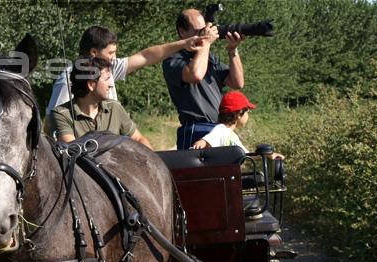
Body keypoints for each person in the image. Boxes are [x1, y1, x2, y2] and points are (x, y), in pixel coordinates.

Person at [45, 25, 205, 118]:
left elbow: (146, 56)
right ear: (94, 52)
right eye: (111, 53)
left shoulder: (110, 68)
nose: (115, 58)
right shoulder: (69, 78)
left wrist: (184, 43)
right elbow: (55, 118)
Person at [163, 8, 245, 150]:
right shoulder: (173, 57)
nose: (205, 34)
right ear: (182, 32)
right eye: (199, 31)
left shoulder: (209, 57)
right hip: (195, 128)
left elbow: (237, 83)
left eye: (205, 29)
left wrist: (232, 51)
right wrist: (205, 43)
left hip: (218, 128)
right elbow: (195, 75)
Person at [47, 56, 153, 150]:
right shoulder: (62, 114)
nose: (111, 84)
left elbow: (139, 139)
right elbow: (73, 153)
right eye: (107, 79)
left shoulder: (114, 107)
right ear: (91, 85)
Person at [192, 91, 284, 160]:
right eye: (247, 111)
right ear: (239, 113)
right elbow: (209, 139)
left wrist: (268, 155)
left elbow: (247, 155)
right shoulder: (222, 129)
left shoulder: (232, 136)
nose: (248, 115)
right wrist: (201, 143)